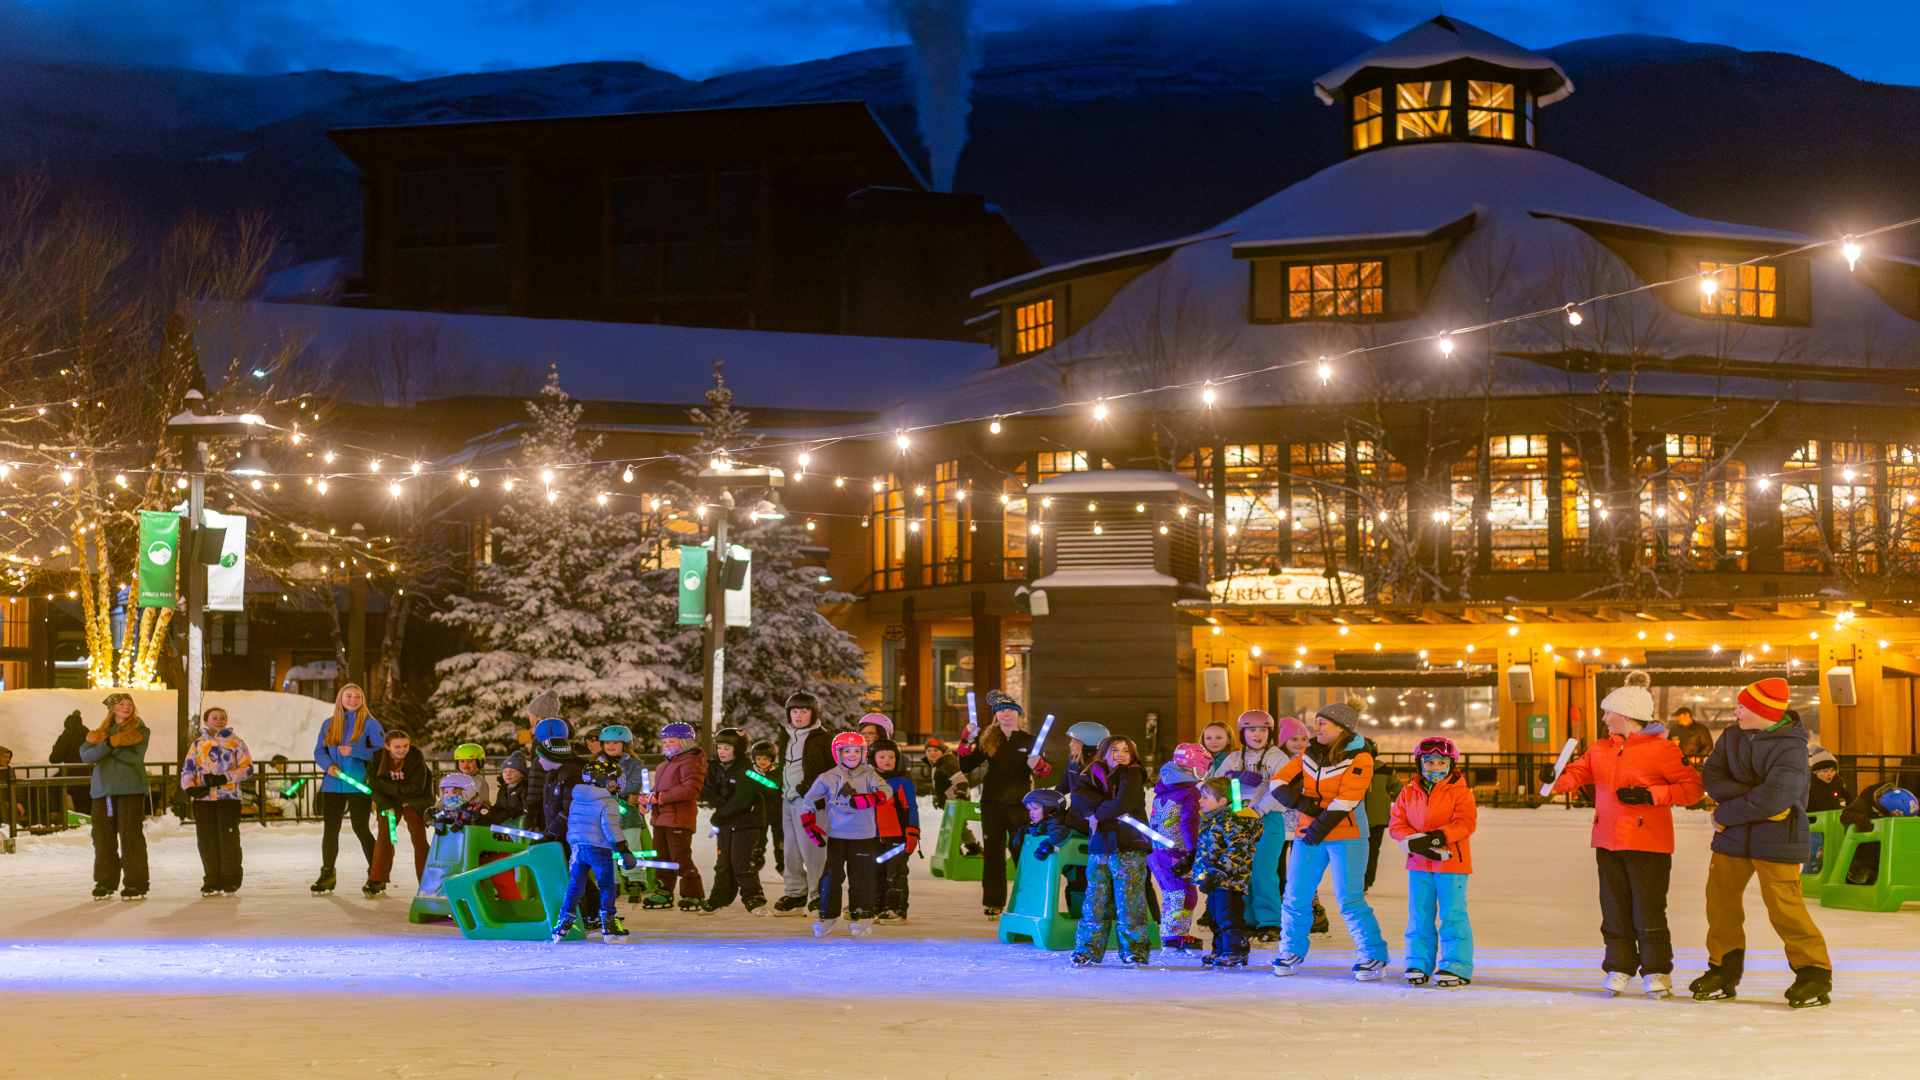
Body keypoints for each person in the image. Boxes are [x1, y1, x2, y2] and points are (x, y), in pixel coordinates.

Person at [1549, 670, 1703, 997]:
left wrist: (1652, 795)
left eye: (1608, 713)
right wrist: (1555, 778)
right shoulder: (1601, 748)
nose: (1604, 718)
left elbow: (1693, 789)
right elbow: (1578, 773)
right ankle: (1618, 966)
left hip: (1649, 843)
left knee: (1648, 909)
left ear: (1627, 716)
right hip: (1608, 841)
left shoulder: (1663, 750)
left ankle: (1656, 970)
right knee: (1614, 909)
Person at [1692, 678, 1834, 1009]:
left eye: (1743, 706)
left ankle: (1814, 971)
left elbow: (1777, 798)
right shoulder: (1731, 736)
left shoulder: (1792, 747)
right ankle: (1722, 969)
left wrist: (1725, 813)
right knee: (1720, 902)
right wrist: (1754, 796)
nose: (1736, 711)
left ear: (1763, 711)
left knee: (1785, 906)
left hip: (1779, 835)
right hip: (1734, 836)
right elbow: (1713, 778)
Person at [1268, 701, 1389, 980]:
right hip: (1308, 833)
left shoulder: (1360, 758)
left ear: (1341, 728)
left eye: (1322, 723)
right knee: (1295, 896)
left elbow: (1347, 800)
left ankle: (1372, 954)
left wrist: (1317, 827)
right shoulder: (1308, 753)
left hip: (1347, 836)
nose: (1316, 728)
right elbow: (1278, 783)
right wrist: (1307, 808)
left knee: (1349, 898)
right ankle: (1290, 951)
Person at [1390, 736, 1477, 987]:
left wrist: (1439, 837)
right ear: (1420, 764)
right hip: (1418, 863)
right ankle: (1418, 961)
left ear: (1451, 765)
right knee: (1419, 913)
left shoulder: (1461, 793)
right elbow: (1396, 823)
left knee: (1453, 913)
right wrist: (1412, 840)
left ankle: (1456, 965)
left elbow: (1465, 822)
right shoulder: (1408, 792)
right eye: (1429, 762)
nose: (1435, 767)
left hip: (1451, 862)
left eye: (1441, 763)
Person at [959, 688, 1051, 917]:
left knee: (1023, 853)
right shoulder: (988, 740)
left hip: (1021, 806)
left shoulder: (1030, 740)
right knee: (993, 854)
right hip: (992, 805)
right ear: (996, 715)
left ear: (1019, 713)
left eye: (1010, 709)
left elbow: (1046, 772)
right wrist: (965, 739)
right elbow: (966, 765)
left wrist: (1039, 765)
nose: (1006, 714)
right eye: (1001, 710)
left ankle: (1028, 901)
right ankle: (993, 902)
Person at [802, 731, 892, 937]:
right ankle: (827, 915)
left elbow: (886, 790)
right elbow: (809, 799)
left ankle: (862, 915)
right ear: (838, 753)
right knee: (831, 876)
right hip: (837, 835)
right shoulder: (827, 777)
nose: (852, 755)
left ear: (863, 753)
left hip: (864, 836)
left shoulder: (869, 775)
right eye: (847, 751)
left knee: (861, 876)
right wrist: (809, 822)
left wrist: (870, 799)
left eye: (857, 751)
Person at [1071, 735, 1151, 967]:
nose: (1121, 755)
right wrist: (1101, 808)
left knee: (1130, 901)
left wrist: (1097, 814)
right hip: (1100, 846)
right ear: (1104, 752)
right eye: (1115, 750)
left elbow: (1124, 802)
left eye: (1126, 751)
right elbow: (1079, 799)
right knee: (1095, 901)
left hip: (1129, 845)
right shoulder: (1090, 773)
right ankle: (1087, 950)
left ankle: (1134, 950)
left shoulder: (1133, 773)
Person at [1213, 710, 1293, 940]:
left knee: (1263, 872)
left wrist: (1258, 810)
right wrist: (1232, 776)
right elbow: (1215, 786)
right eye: (1252, 730)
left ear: (1270, 733)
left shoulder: (1278, 758)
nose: (1257, 734)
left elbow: (1281, 790)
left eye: (1263, 730)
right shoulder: (1233, 758)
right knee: (1243, 870)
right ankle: (1247, 919)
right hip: (1237, 818)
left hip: (1268, 818)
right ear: (1242, 733)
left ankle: (1269, 922)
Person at [550, 759, 638, 943]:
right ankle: (609, 923)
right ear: (610, 782)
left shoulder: (577, 799)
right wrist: (624, 850)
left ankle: (564, 921)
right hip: (599, 849)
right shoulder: (608, 802)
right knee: (606, 885)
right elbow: (611, 828)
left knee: (575, 885)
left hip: (577, 849)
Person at [311, 683, 384, 895]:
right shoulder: (329, 723)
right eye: (348, 696)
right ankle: (327, 874)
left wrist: (355, 751)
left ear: (363, 699)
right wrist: (329, 766)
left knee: (361, 828)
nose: (353, 700)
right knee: (330, 830)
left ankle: (377, 874)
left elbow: (381, 753)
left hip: (359, 785)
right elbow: (319, 751)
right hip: (332, 785)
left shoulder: (371, 724)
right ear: (340, 698)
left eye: (357, 696)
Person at [80, 693, 151, 901]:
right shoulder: (99, 733)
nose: (126, 707)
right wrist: (110, 744)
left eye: (130, 704)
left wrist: (108, 748)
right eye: (121, 704)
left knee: (131, 837)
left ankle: (136, 882)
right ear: (112, 709)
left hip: (130, 790)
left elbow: (136, 757)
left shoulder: (141, 730)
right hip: (103, 791)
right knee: (102, 837)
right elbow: (87, 756)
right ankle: (105, 881)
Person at [1192, 776, 1264, 968]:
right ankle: (1221, 949)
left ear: (1222, 801)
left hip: (1229, 880)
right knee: (1215, 916)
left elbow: (1238, 849)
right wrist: (1191, 864)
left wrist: (1218, 872)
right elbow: (1207, 849)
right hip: (1214, 879)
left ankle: (1235, 951)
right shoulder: (1213, 820)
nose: (1200, 800)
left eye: (1206, 797)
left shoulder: (1234, 821)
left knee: (1229, 916)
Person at [774, 691, 835, 916]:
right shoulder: (787, 735)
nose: (798, 715)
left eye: (804, 710)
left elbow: (831, 771)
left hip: (810, 803)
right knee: (790, 850)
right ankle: (795, 893)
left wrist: (810, 786)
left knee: (813, 850)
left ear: (814, 713)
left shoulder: (823, 738)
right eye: (794, 711)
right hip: (787, 799)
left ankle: (819, 895)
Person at [180, 706, 252, 897]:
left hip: (228, 798)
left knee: (228, 839)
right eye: (215, 718)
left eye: (222, 718)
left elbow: (247, 768)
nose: (219, 721)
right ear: (206, 721)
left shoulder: (236, 743)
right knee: (206, 840)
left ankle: (230, 879)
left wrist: (224, 778)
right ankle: (211, 878)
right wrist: (189, 787)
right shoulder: (197, 744)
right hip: (203, 799)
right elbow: (188, 768)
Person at [637, 722, 707, 910]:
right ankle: (663, 892)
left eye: (671, 741)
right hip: (661, 819)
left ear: (684, 742)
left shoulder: (691, 762)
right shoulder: (664, 766)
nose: (666, 745)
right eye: (664, 742)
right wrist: (647, 800)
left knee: (680, 857)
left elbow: (690, 789)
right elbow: (658, 790)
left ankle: (693, 894)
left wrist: (660, 797)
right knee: (661, 858)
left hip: (679, 819)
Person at [701, 727, 769, 916]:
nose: (721, 752)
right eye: (719, 747)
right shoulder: (715, 768)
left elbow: (743, 798)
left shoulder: (747, 770)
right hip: (726, 823)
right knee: (723, 862)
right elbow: (708, 791)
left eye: (727, 748)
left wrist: (722, 813)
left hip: (748, 822)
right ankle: (719, 897)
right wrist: (722, 809)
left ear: (738, 749)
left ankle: (754, 897)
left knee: (741, 861)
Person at [1149, 743, 1208, 952]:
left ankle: (1172, 934)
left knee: (1172, 893)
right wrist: (1193, 851)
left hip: (1157, 851)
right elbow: (1188, 822)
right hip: (1176, 852)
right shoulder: (1191, 791)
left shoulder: (1166, 787)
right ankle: (1174, 937)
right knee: (1183, 894)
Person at [366, 728, 434, 898]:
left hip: (414, 800)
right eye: (397, 747)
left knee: (419, 838)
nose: (402, 750)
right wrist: (385, 800)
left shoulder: (416, 756)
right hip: (388, 802)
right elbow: (371, 784)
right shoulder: (378, 758)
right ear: (387, 747)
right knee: (384, 837)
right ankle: (377, 879)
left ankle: (427, 881)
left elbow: (416, 787)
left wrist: (385, 785)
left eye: (405, 746)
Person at [870, 739, 920, 923]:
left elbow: (911, 807)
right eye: (882, 757)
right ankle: (878, 907)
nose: (887, 760)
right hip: (873, 837)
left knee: (895, 873)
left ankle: (896, 909)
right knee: (877, 874)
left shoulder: (902, 782)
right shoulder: (868, 781)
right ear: (873, 759)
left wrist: (913, 832)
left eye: (891, 757)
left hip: (897, 837)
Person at [49, 710, 90, 817]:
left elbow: (54, 758)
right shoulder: (88, 732)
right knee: (86, 807)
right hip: (91, 774)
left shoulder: (67, 733)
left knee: (51, 785)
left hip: (72, 774)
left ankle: (56, 815)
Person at [1052, 722, 1110, 798]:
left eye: (1075, 742)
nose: (1070, 744)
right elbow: (1063, 787)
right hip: (1075, 805)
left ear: (1088, 746)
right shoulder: (1072, 761)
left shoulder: (1105, 768)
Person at [750, 740, 782, 873]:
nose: (762, 762)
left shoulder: (778, 772)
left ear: (772, 758)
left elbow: (775, 786)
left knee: (780, 841)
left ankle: (783, 865)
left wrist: (759, 780)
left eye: (766, 758)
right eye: (759, 758)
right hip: (759, 814)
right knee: (758, 841)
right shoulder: (751, 772)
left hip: (777, 813)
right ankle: (755, 863)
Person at [923, 737, 968, 810]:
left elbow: (962, 782)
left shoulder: (948, 764)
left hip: (955, 804)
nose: (932, 753)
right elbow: (938, 785)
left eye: (936, 750)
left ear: (942, 751)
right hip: (948, 803)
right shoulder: (936, 764)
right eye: (929, 750)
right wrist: (937, 798)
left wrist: (959, 797)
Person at [1807, 747, 1852, 812]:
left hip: (1833, 814)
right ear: (1816, 772)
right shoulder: (1807, 784)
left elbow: (1849, 797)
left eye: (1832, 770)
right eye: (1825, 771)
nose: (1829, 774)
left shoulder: (1837, 781)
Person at [489, 751, 529, 824]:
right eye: (505, 771)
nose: (508, 774)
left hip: (519, 825)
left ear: (522, 774)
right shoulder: (503, 789)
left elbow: (522, 809)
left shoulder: (524, 789)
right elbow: (498, 806)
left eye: (512, 771)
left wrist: (505, 814)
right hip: (506, 824)